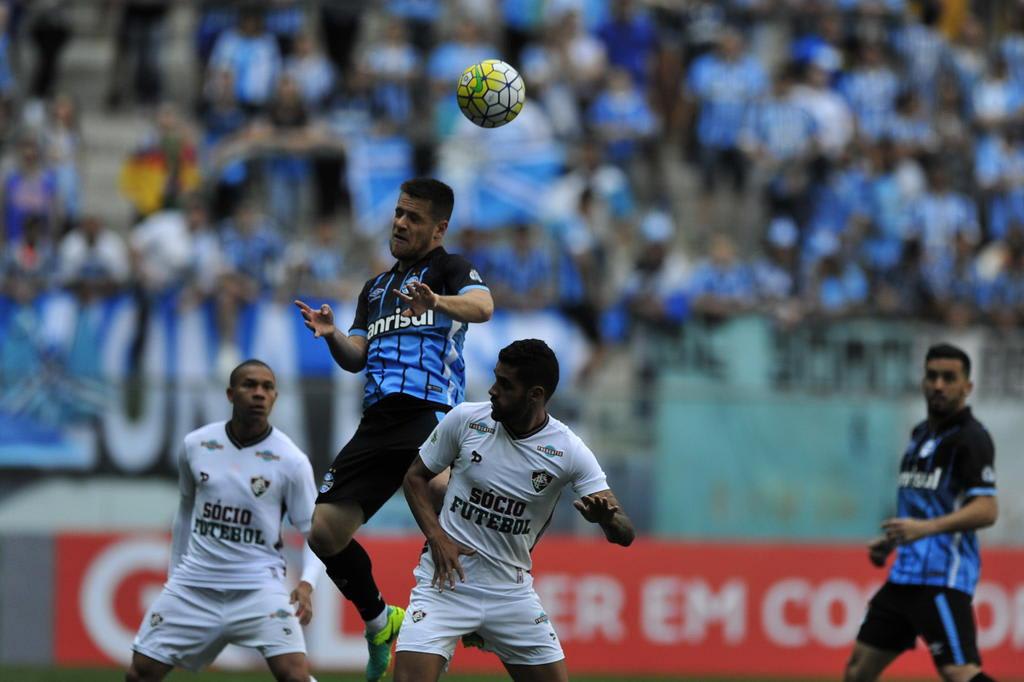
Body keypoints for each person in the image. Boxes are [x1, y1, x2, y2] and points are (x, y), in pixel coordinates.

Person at [294, 177, 493, 681]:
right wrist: (332, 334)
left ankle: (474, 606)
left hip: (430, 413)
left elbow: (484, 306)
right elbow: (356, 356)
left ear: (438, 228)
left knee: (450, 493)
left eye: (414, 217)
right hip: (378, 421)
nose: (401, 223)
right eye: (399, 213)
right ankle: (381, 620)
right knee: (324, 532)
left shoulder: (449, 269)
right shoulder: (376, 288)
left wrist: (438, 303)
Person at [395, 339, 636, 682]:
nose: (493, 390)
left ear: (535, 394)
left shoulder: (568, 450)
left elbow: (626, 533)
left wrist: (608, 519)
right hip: (444, 584)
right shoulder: (465, 420)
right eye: (496, 379)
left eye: (506, 384)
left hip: (510, 592)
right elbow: (415, 478)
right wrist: (436, 536)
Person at [126, 360, 324, 682]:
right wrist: (176, 575)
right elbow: (186, 512)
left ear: (275, 397)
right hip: (195, 586)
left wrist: (306, 584)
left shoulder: (291, 461)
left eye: (267, 387)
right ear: (231, 394)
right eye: (250, 385)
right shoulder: (196, 445)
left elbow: (317, 533)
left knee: (295, 676)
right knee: (140, 673)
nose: (259, 393)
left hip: (259, 588)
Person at [844, 344, 998, 682]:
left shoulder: (972, 439)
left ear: (967, 386)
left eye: (949, 377)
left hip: (941, 579)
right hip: (904, 576)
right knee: (857, 671)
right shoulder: (920, 435)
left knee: (959, 672)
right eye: (932, 376)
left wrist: (924, 530)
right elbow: (921, 508)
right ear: (923, 382)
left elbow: (987, 510)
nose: (939, 385)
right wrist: (891, 543)